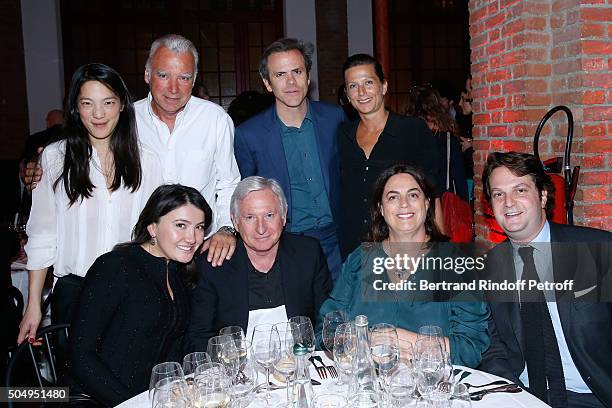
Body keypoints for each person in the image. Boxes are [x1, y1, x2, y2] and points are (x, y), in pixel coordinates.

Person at [24, 34, 240, 268]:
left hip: (196, 253)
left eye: (184, 77)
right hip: (139, 256)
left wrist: (225, 229)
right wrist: (42, 170)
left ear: (195, 79)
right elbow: (81, 152)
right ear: (147, 75)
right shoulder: (124, 119)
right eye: (163, 75)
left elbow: (228, 184)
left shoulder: (215, 119)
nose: (173, 88)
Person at [17, 63, 162, 345]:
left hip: (131, 292)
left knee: (128, 387)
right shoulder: (55, 158)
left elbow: (154, 233)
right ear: (75, 108)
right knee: (72, 388)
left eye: (108, 102)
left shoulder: (147, 161)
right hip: (74, 292)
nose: (98, 114)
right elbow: (43, 234)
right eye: (88, 103)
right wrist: (33, 304)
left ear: (122, 106)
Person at [318, 164, 489, 368]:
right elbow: (327, 329)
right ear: (381, 209)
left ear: (427, 204)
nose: (404, 204)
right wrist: (368, 338)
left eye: (413, 195)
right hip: (365, 387)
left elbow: (471, 347)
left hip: (429, 388)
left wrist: (399, 339)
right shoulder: (359, 260)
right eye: (392, 197)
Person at [479, 152, 612, 408]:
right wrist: (511, 396)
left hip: (594, 396)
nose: (508, 202)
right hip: (524, 396)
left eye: (520, 190)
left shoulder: (597, 250)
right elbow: (493, 348)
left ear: (542, 196)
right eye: (498, 194)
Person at [68, 184, 211, 406]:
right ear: (153, 227)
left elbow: (173, 350)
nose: (192, 237)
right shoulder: (116, 267)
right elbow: (79, 357)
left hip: (150, 398)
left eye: (199, 227)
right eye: (181, 225)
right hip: (98, 398)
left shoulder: (178, 273)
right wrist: (133, 404)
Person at [234, 38, 345, 280]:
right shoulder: (249, 135)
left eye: (297, 71)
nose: (291, 81)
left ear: (308, 77)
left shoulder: (336, 119)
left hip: (337, 241)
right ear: (267, 83)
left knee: (343, 314)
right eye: (280, 74)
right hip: (286, 244)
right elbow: (245, 197)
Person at [185, 176, 332, 351]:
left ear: (284, 217)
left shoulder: (308, 253)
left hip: (300, 365)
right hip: (237, 371)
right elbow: (199, 338)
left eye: (269, 215)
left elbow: (326, 321)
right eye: (250, 217)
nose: (261, 228)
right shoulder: (215, 264)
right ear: (235, 222)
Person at [338, 54, 444, 258]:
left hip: (404, 248)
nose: (361, 92)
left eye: (368, 83)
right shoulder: (342, 135)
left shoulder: (412, 130)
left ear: (383, 86)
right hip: (354, 250)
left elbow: (433, 194)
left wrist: (441, 253)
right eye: (353, 86)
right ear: (348, 95)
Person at [404, 84, 469, 202]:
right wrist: (465, 206)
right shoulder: (447, 137)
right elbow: (459, 177)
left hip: (415, 199)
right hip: (443, 200)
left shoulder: (406, 137)